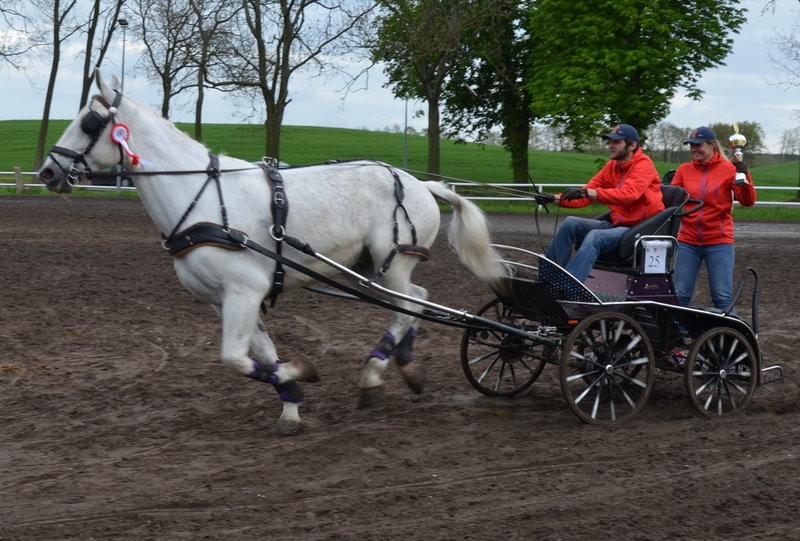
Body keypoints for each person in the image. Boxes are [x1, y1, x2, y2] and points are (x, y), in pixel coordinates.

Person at [534, 124, 664, 283]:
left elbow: (629, 194)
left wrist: (587, 192)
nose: (610, 145)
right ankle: (547, 280)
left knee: (596, 236)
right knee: (570, 223)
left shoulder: (644, 165)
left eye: (616, 142)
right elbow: (587, 193)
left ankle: (568, 286)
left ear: (632, 145)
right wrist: (554, 198)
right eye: (609, 141)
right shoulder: (612, 167)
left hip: (639, 229)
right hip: (618, 225)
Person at [670, 126, 757, 310]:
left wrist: (745, 175)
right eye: (691, 145)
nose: (693, 149)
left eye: (698, 145)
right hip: (688, 241)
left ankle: (731, 337)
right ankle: (678, 336)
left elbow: (748, 201)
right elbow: (670, 199)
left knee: (721, 297)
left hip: (718, 241)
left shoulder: (729, 169)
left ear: (712, 145)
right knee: (680, 294)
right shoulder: (684, 170)